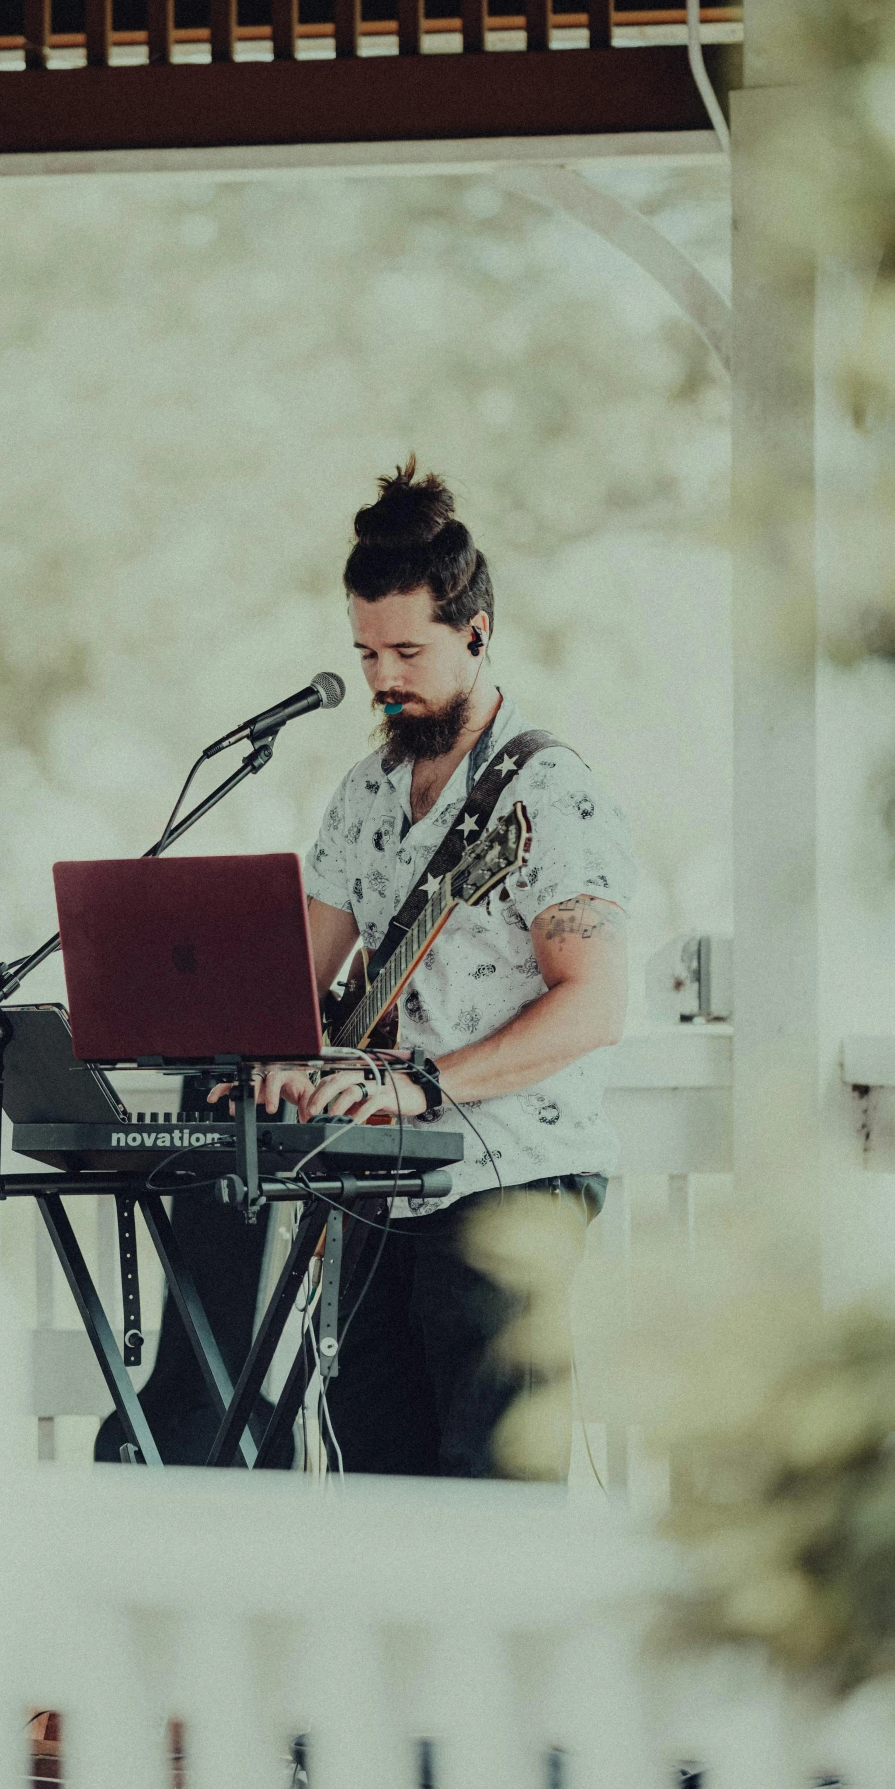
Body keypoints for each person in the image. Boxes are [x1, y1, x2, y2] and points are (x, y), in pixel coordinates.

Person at [260, 459, 632, 1480]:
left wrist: (422, 1081)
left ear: (475, 629)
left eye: (407, 650)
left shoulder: (551, 793)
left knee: (493, 1490)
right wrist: (268, 1050)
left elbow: (594, 1003)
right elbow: (302, 971)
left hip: (510, 1181)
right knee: (378, 1480)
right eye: (366, 651)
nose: (381, 679)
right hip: (377, 1187)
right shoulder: (365, 789)